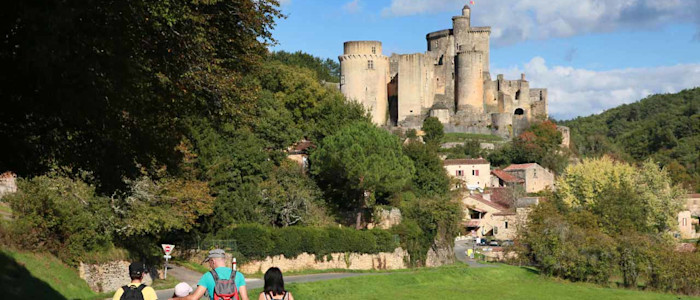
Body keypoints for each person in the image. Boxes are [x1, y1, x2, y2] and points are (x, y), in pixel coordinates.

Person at [170, 249, 248, 300]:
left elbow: (194, 298)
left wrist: (175, 299)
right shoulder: (239, 275)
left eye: (209, 262)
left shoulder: (208, 276)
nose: (209, 265)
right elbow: (245, 299)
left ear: (213, 261)